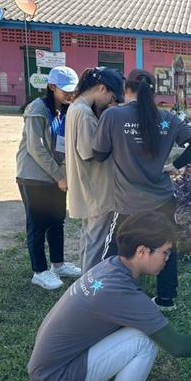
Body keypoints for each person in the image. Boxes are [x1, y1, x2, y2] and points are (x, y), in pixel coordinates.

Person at [27, 212, 191, 381]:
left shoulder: (110, 265)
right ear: (142, 251)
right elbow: (179, 346)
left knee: (142, 325)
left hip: (47, 370)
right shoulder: (122, 292)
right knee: (145, 339)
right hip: (57, 380)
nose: (168, 259)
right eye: (165, 252)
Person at [93, 69, 191, 311]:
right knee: (166, 247)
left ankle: (104, 293)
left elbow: (99, 155)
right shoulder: (167, 119)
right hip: (162, 200)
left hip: (128, 203)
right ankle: (166, 299)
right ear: (153, 92)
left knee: (115, 250)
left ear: (126, 89)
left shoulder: (113, 116)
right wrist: (174, 165)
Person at [16, 66, 82, 290]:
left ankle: (58, 264)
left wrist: (63, 175)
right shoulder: (37, 109)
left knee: (56, 222)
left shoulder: (63, 110)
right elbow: (37, 148)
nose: (70, 95)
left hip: (56, 177)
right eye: (66, 91)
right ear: (52, 87)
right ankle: (40, 271)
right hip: (34, 177)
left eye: (73, 91)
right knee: (37, 225)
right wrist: (59, 176)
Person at [65, 67, 124, 273]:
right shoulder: (84, 114)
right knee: (97, 244)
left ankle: (85, 281)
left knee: (89, 239)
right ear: (101, 88)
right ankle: (89, 289)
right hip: (96, 190)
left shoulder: (76, 108)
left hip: (87, 188)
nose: (110, 102)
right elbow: (91, 153)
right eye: (111, 97)